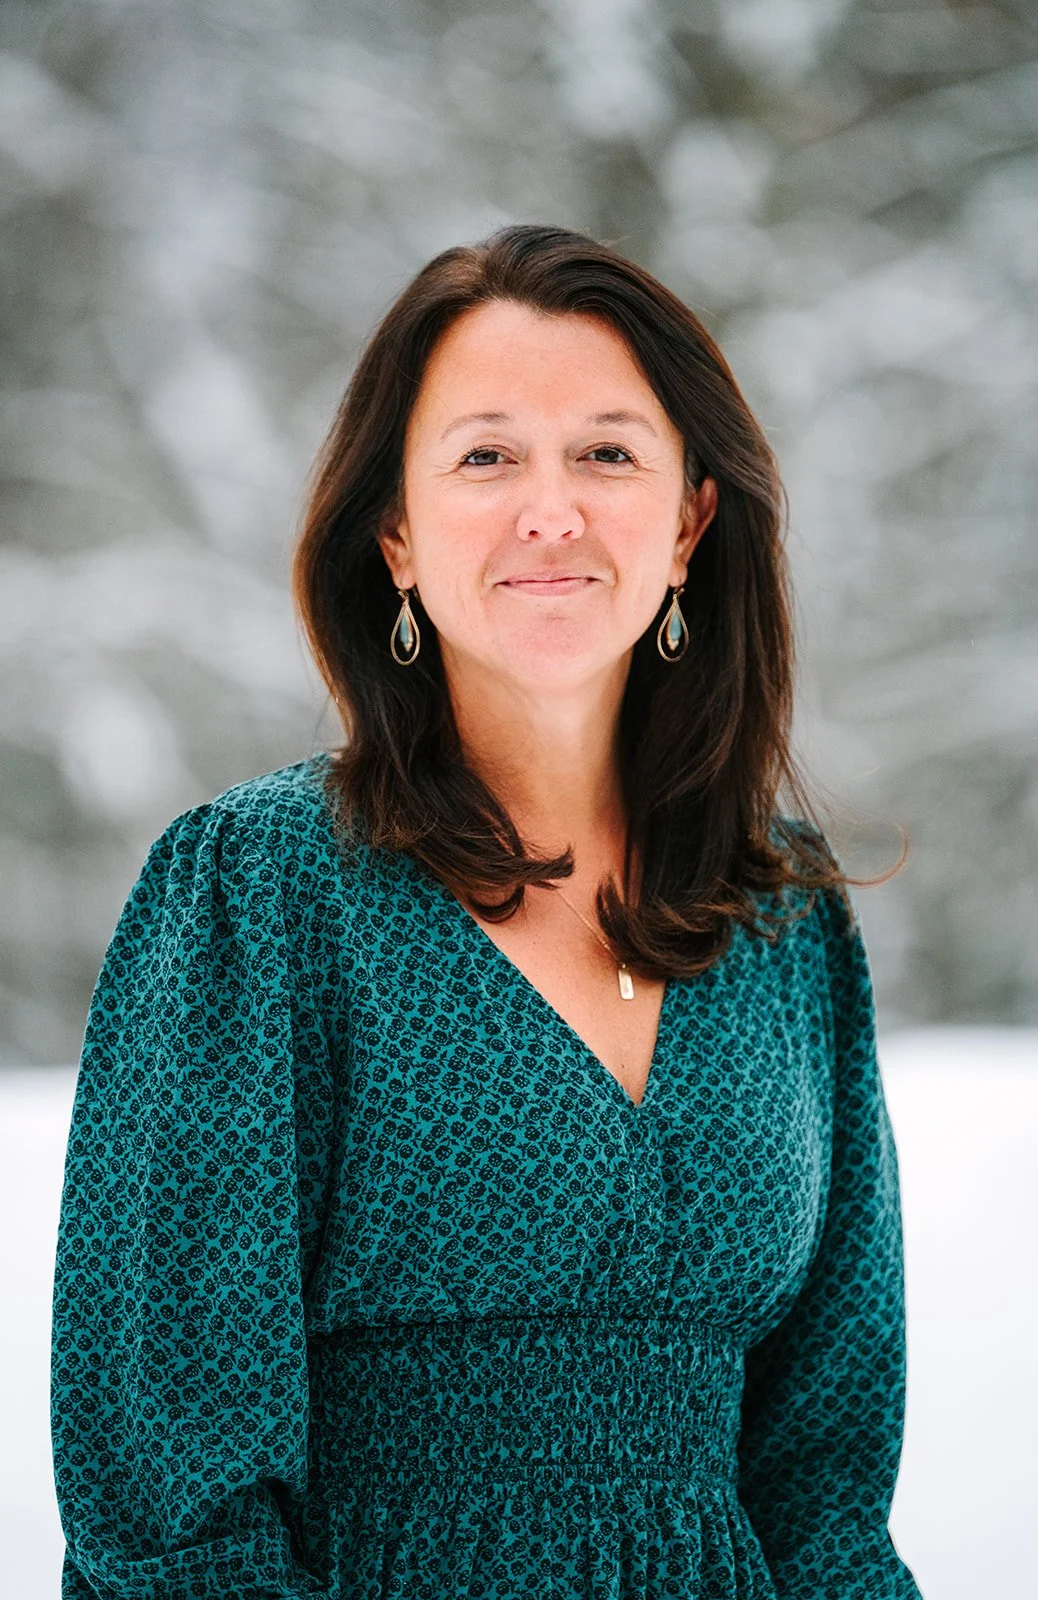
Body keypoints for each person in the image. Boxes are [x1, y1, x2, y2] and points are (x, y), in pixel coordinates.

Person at [50, 222, 923, 1599]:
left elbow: (825, 1490)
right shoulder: (256, 893)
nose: (551, 511)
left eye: (607, 453)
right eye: (485, 456)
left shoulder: (784, 916)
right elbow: (170, 1512)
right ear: (392, 534)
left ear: (692, 521)